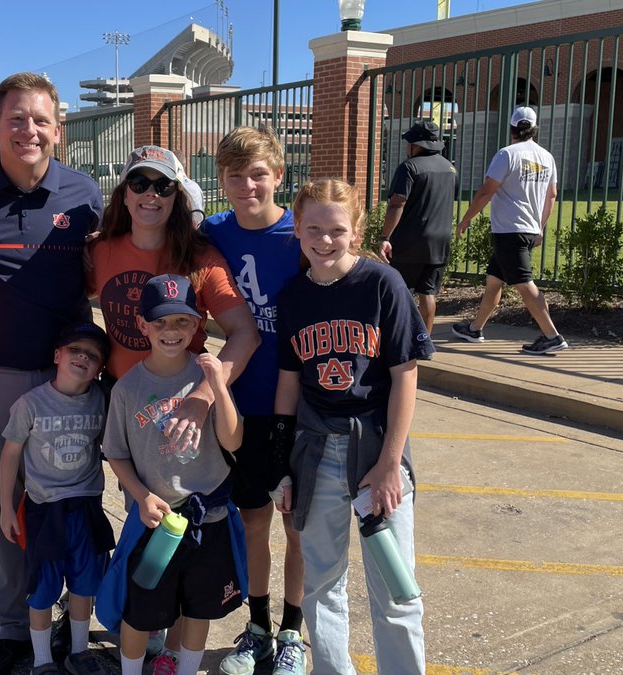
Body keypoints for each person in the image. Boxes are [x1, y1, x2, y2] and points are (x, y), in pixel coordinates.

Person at [0, 72, 104, 675]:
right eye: (15, 118)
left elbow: (100, 274)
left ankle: (71, 612)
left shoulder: (84, 195)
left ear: (58, 130)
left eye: (39, 119)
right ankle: (13, 626)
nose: (27, 129)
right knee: (4, 501)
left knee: (76, 499)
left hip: (74, 381)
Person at [271, 179, 432, 675]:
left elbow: (407, 376)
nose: (324, 240)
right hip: (316, 450)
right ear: (296, 229)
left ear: (356, 231)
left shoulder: (382, 284)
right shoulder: (294, 296)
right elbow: (289, 384)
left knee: (395, 587)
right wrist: (283, 466)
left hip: (375, 448)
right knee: (321, 584)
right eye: (313, 228)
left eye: (336, 229)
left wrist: (389, 467)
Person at [198, 126, 307, 675]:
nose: (247, 186)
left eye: (258, 174)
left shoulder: (302, 233)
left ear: (279, 176)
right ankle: (259, 627)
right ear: (221, 181)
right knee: (254, 521)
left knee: (299, 526)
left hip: (303, 407)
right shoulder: (213, 231)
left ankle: (295, 631)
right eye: (235, 176)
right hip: (246, 404)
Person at [99, 273, 246, 675]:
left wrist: (218, 383)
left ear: (198, 323)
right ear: (143, 325)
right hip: (155, 522)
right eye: (160, 322)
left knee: (199, 610)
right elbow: (115, 452)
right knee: (140, 612)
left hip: (207, 518)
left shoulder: (206, 377)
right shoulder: (127, 389)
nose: (171, 331)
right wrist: (141, 495)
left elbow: (233, 442)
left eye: (181, 321)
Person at [88, 145, 259, 390]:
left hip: (182, 396)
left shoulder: (200, 258)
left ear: (176, 197)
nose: (151, 193)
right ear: (125, 194)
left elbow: (245, 333)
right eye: (138, 183)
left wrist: (205, 396)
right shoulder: (100, 250)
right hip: (117, 393)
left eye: (163, 186)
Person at [0, 322, 114, 675]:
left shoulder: (101, 399)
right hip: (44, 510)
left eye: (92, 355)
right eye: (75, 349)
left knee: (84, 584)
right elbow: (10, 454)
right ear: (57, 355)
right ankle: (43, 660)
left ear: (99, 370)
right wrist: (6, 506)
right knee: (43, 589)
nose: (83, 357)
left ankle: (79, 651)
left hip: (87, 505)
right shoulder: (30, 404)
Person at [453, 106, 568, 355]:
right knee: (494, 280)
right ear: (534, 127)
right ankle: (475, 328)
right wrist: (539, 227)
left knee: (524, 283)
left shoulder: (506, 154)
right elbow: (552, 195)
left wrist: (465, 220)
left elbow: (487, 190)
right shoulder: (547, 157)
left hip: (509, 231)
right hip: (527, 229)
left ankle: (551, 335)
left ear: (511, 128)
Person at [379, 120, 459, 337]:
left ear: (416, 144)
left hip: (410, 241)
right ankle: (425, 339)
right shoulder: (450, 169)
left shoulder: (409, 167)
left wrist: (385, 236)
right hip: (440, 241)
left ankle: (397, 337)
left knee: (399, 291)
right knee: (428, 291)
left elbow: (397, 203)